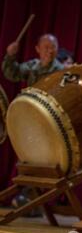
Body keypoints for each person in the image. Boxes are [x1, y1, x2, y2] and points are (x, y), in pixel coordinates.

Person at [2, 33, 64, 216]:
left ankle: (31, 199)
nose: (49, 51)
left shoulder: (61, 71)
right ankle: (29, 199)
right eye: (45, 47)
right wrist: (10, 56)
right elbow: (11, 73)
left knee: (44, 161)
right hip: (30, 122)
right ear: (37, 49)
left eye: (52, 47)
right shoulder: (32, 67)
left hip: (49, 123)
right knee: (28, 160)